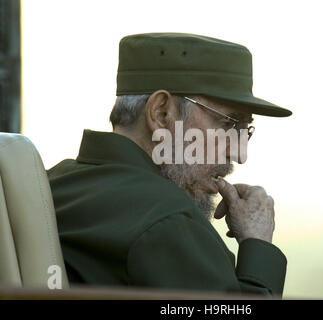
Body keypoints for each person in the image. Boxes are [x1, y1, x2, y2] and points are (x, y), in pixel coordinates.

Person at [47, 33, 292, 296]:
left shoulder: (51, 184)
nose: (239, 153)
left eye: (246, 130)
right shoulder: (169, 220)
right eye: (228, 123)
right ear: (161, 114)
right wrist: (258, 245)